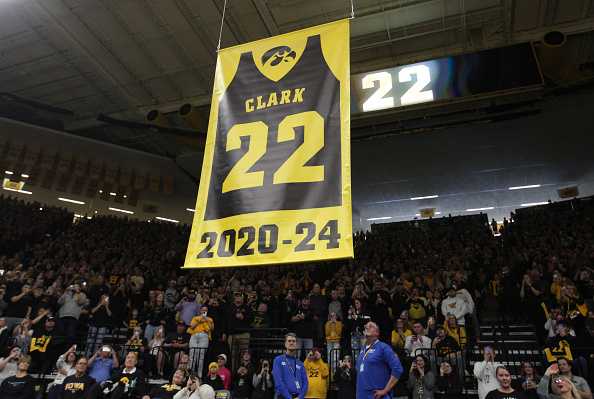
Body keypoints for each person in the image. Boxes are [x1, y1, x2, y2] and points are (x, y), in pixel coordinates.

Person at [356, 321, 403, 399]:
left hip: (377, 396)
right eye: (366, 326)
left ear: (377, 333)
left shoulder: (384, 347)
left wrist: (385, 390)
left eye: (370, 326)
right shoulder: (362, 349)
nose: (367, 327)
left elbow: (398, 369)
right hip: (361, 395)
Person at [272, 333, 308, 399]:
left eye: (293, 341)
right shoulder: (278, 360)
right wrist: (289, 397)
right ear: (285, 344)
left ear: (296, 344)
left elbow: (305, 383)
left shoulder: (300, 363)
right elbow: (278, 382)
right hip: (282, 396)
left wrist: (300, 397)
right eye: (289, 341)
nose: (291, 343)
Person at [187, 305, 213, 378]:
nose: (204, 311)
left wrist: (206, 320)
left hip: (204, 336)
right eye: (203, 310)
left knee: (201, 357)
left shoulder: (210, 319)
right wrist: (200, 320)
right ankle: (190, 374)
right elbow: (192, 326)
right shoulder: (195, 318)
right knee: (192, 356)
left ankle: (199, 375)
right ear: (200, 311)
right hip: (194, 336)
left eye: (206, 310)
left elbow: (211, 328)